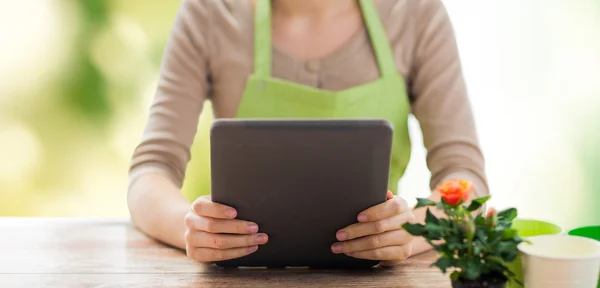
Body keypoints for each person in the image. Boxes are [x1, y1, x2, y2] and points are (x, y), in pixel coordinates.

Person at [128, 0, 489, 266]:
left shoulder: (415, 13)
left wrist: (413, 228)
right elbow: (151, 171)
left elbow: (465, 176)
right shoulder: (210, 13)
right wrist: (191, 228)